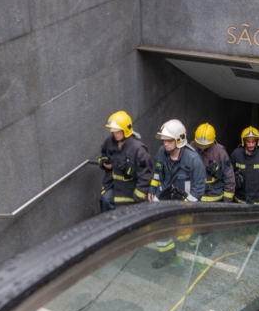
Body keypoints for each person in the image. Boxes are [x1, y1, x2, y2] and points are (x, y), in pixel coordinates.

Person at [147, 119, 206, 271]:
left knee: (191, 234)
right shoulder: (161, 153)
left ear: (179, 140)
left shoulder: (193, 160)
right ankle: (169, 258)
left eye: (169, 141)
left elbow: (199, 188)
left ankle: (198, 259)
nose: (165, 144)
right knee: (160, 230)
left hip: (186, 201)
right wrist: (153, 191)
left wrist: (187, 207)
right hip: (165, 197)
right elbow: (157, 173)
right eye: (164, 141)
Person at [98, 111, 153, 213]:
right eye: (113, 131)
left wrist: (138, 197)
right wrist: (104, 163)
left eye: (117, 131)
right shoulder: (110, 141)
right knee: (105, 200)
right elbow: (103, 155)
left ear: (126, 130)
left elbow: (145, 174)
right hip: (112, 186)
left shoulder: (138, 149)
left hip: (129, 191)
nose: (114, 133)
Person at [190, 123, 235, 203]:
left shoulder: (221, 153)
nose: (202, 148)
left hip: (215, 199)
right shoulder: (191, 148)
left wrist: (226, 203)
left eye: (205, 146)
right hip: (195, 197)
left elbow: (229, 177)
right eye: (199, 145)